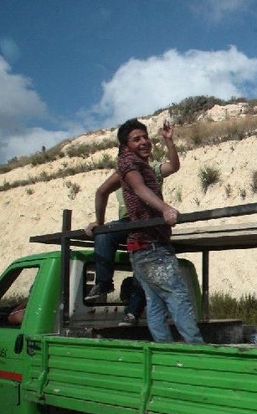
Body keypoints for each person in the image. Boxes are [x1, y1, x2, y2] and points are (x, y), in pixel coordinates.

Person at [116, 117, 204, 344]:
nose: (144, 141)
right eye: (137, 139)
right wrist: (166, 209)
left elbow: (173, 166)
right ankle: (198, 349)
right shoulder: (128, 163)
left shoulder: (143, 165)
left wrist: (169, 141)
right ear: (126, 146)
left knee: (155, 302)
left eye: (145, 137)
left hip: (144, 245)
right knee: (178, 296)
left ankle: (164, 350)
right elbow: (139, 188)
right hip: (151, 245)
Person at [85, 136, 180, 326]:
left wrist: (169, 141)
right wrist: (99, 222)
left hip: (148, 221)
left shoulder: (151, 169)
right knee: (104, 233)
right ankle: (103, 283)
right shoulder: (122, 173)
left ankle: (132, 313)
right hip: (127, 221)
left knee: (143, 264)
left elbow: (173, 166)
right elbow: (101, 192)